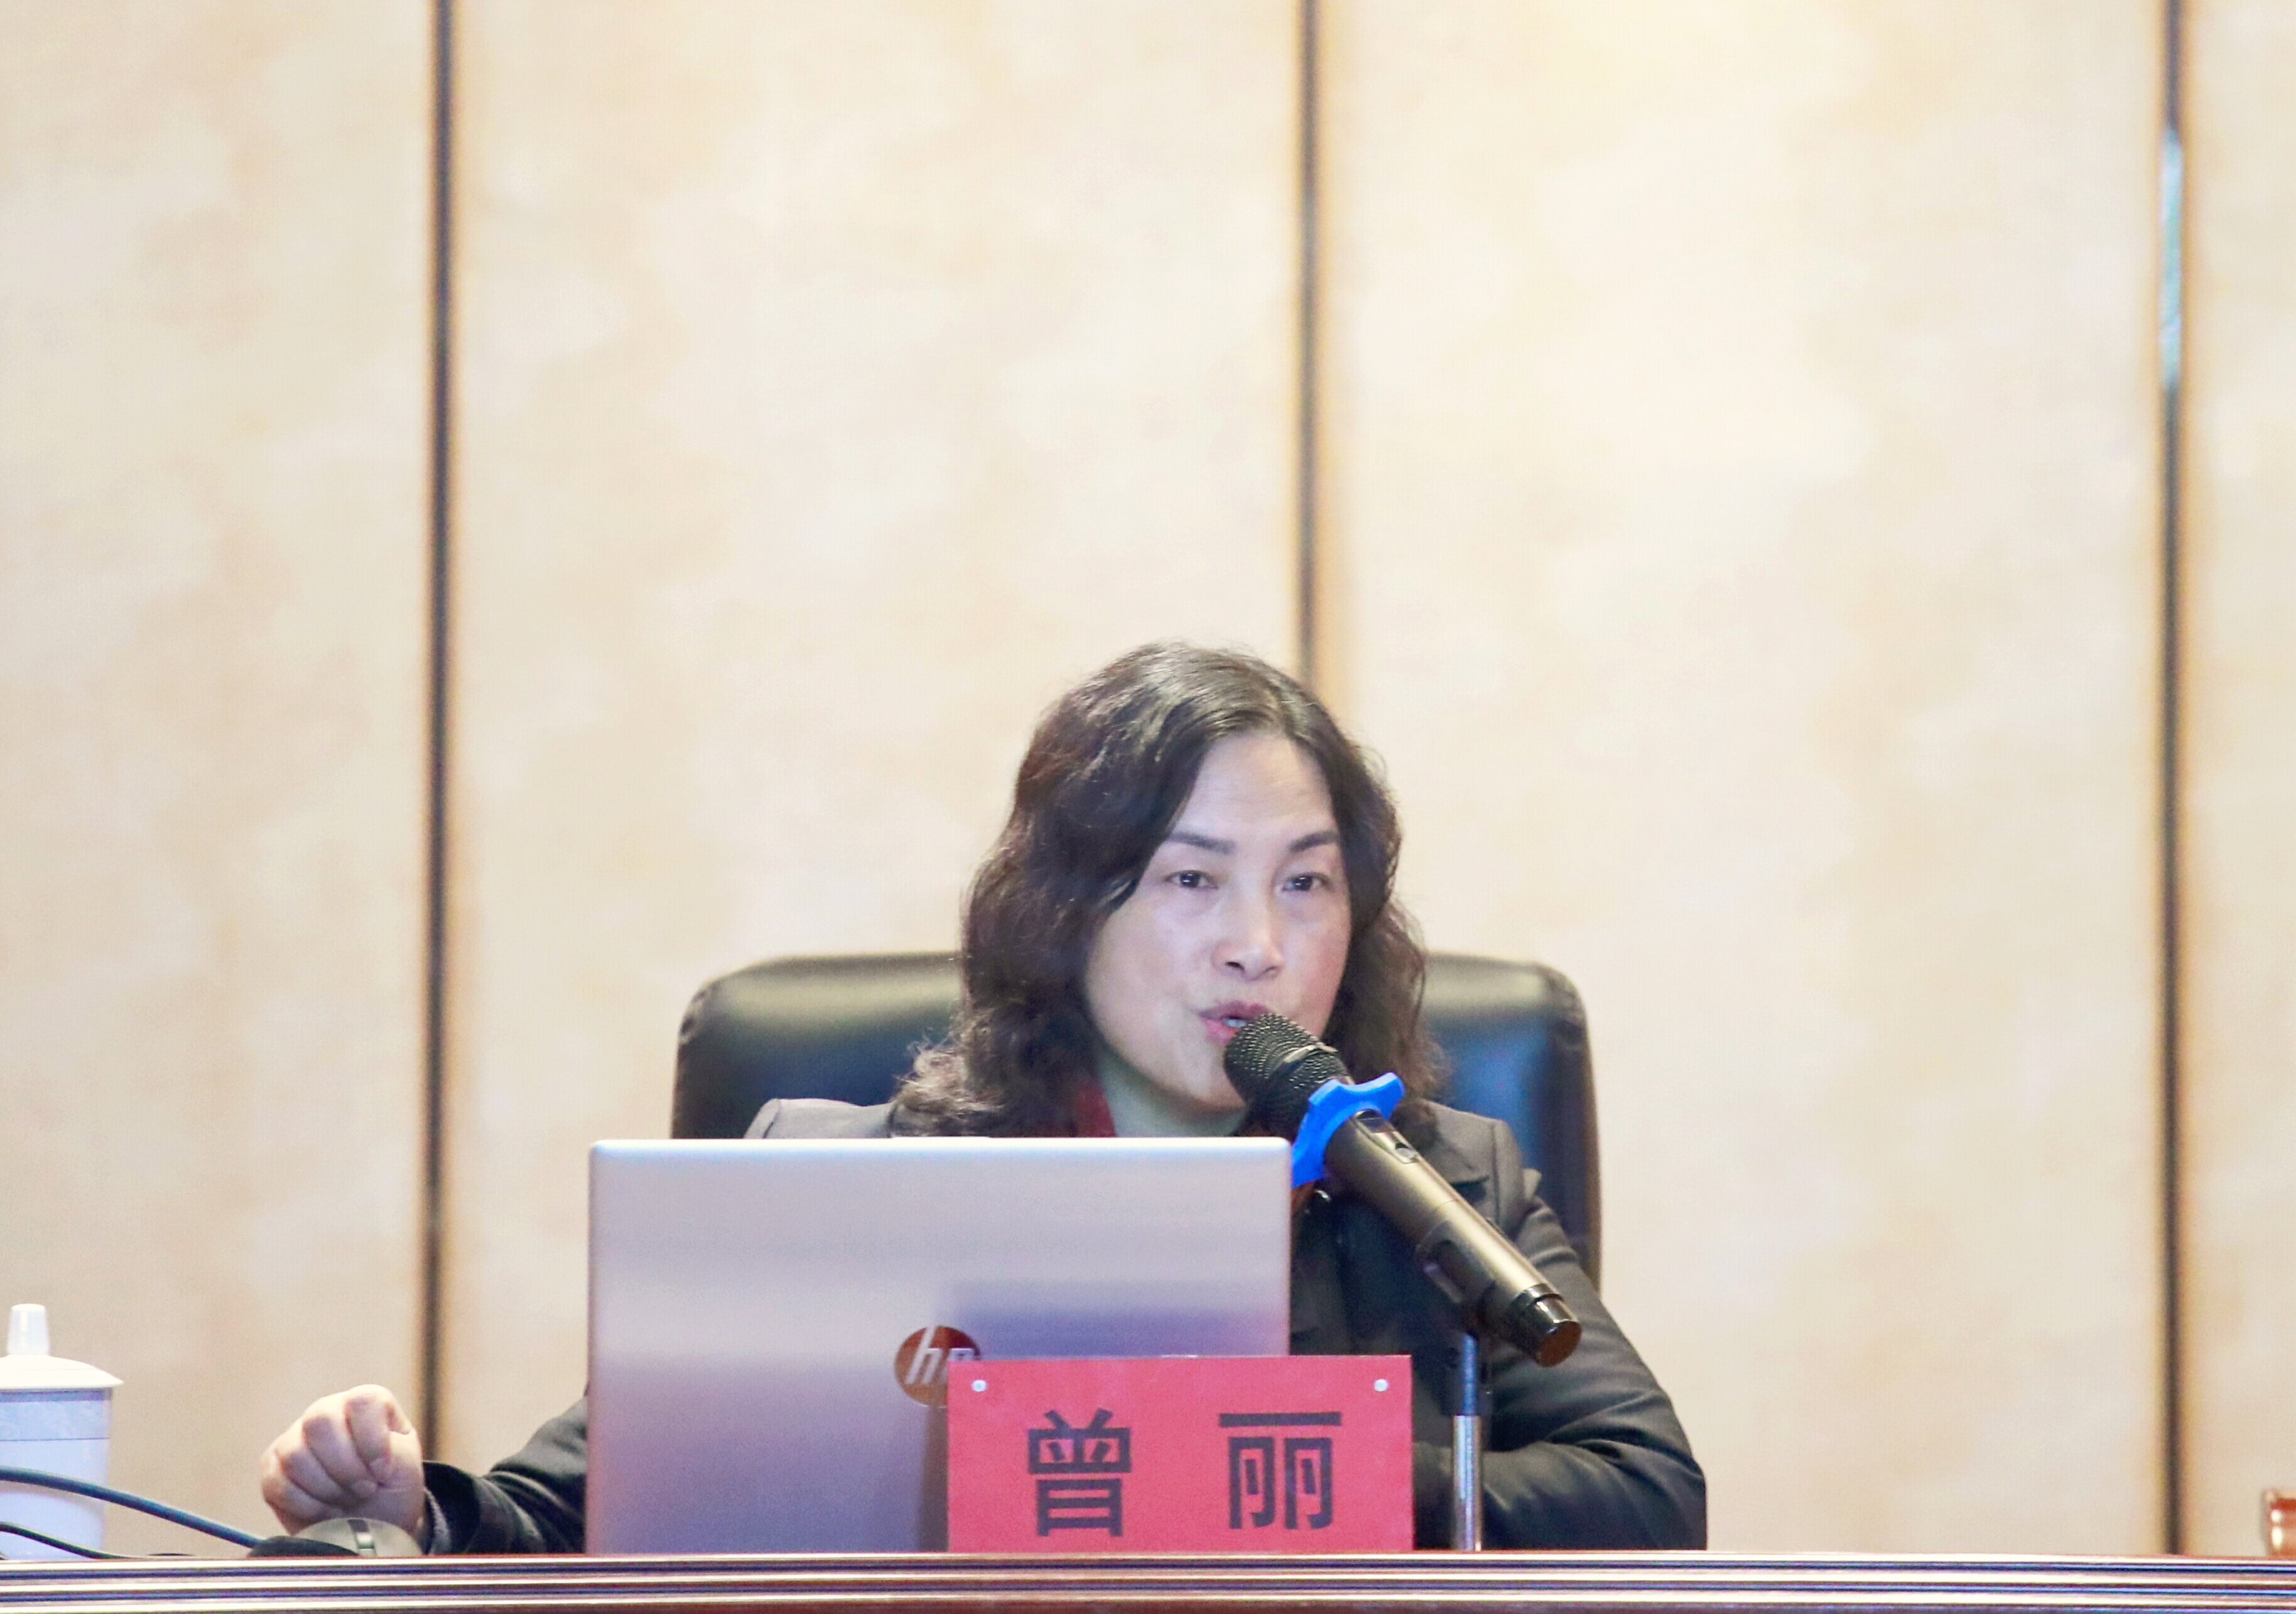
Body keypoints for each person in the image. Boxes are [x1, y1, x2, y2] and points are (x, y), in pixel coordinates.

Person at [261, 642, 1704, 1551]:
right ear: (1067, 909)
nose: (1259, 943)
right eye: (1191, 878)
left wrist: (1293, 1457)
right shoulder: (864, 1187)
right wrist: (406, 1506)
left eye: (1308, 882)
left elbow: (1646, 1493)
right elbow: (589, 1505)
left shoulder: (1438, 1179)